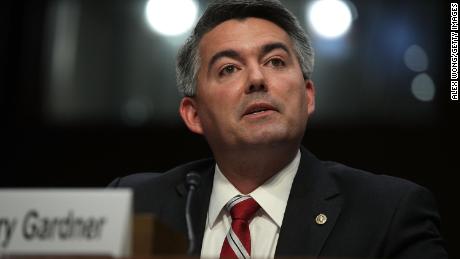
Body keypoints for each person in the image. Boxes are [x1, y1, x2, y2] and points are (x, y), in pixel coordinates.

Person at [109, 0, 447, 258]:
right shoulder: (135, 204)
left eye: (275, 62)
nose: (257, 79)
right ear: (193, 114)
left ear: (308, 96)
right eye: (228, 68)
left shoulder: (389, 212)